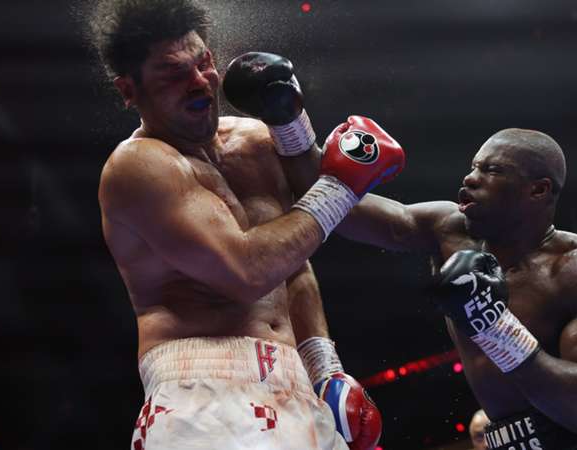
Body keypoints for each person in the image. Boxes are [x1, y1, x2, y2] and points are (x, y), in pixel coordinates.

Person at [87, 1, 404, 449]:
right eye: (174, 74)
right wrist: (340, 186)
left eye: (203, 62)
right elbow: (248, 271)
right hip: (201, 390)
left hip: (294, 382)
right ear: (128, 90)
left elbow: (292, 262)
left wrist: (325, 369)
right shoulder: (137, 167)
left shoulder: (255, 141)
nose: (200, 81)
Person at [284, 127, 577, 449]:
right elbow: (340, 209)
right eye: (474, 166)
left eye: (492, 170)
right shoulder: (450, 230)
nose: (471, 178)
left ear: (538, 190)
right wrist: (289, 123)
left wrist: (494, 325)